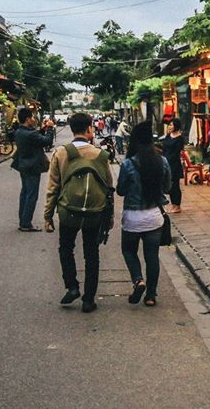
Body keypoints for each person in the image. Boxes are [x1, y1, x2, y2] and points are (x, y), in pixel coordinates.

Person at [43, 113, 113, 313]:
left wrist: (48, 216)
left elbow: (53, 187)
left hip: (68, 211)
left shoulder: (61, 153)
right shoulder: (100, 155)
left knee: (66, 248)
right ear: (89, 128)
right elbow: (109, 187)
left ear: (72, 129)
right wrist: (110, 217)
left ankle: (72, 286)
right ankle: (89, 299)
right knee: (92, 254)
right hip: (94, 213)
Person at [116, 121, 171, 308]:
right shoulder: (162, 161)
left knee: (128, 251)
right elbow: (167, 187)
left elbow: (120, 191)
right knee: (152, 256)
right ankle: (151, 295)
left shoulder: (128, 164)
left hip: (132, 218)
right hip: (154, 216)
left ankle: (138, 280)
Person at [11, 107, 55, 231]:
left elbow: (35, 138)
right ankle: (26, 224)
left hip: (23, 165)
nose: (34, 119)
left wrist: (42, 129)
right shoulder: (31, 134)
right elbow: (47, 141)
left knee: (24, 193)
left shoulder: (19, 132)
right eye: (32, 117)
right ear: (27, 119)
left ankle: (23, 221)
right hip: (33, 166)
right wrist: (50, 129)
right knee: (31, 195)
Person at [159, 117, 185, 213]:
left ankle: (177, 205)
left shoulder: (180, 138)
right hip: (166, 163)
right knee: (169, 184)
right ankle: (173, 204)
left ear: (176, 126)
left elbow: (176, 152)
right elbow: (164, 148)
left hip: (174, 164)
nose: (169, 126)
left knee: (175, 185)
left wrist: (168, 159)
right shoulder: (168, 136)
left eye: (171, 125)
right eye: (169, 125)